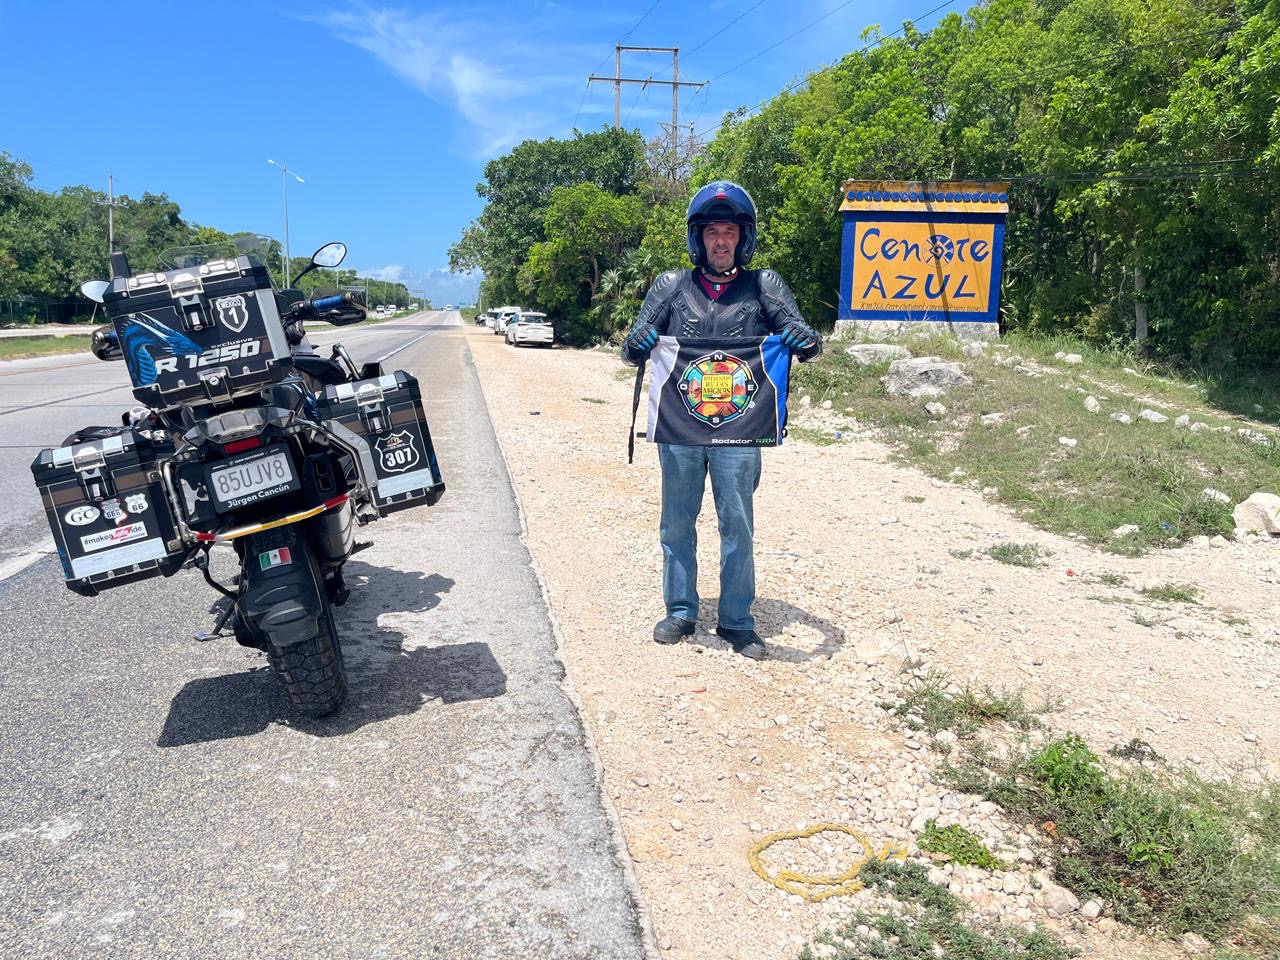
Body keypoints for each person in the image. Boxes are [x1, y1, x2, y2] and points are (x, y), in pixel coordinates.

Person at [621, 181, 822, 660]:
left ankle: (736, 620)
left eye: (729, 231)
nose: (720, 241)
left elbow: (810, 343)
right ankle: (681, 610)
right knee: (676, 523)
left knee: (738, 525)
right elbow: (630, 350)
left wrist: (797, 335)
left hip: (740, 431)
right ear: (698, 238)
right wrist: (644, 338)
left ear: (743, 238)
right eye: (712, 231)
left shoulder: (764, 286)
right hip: (680, 429)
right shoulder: (671, 286)